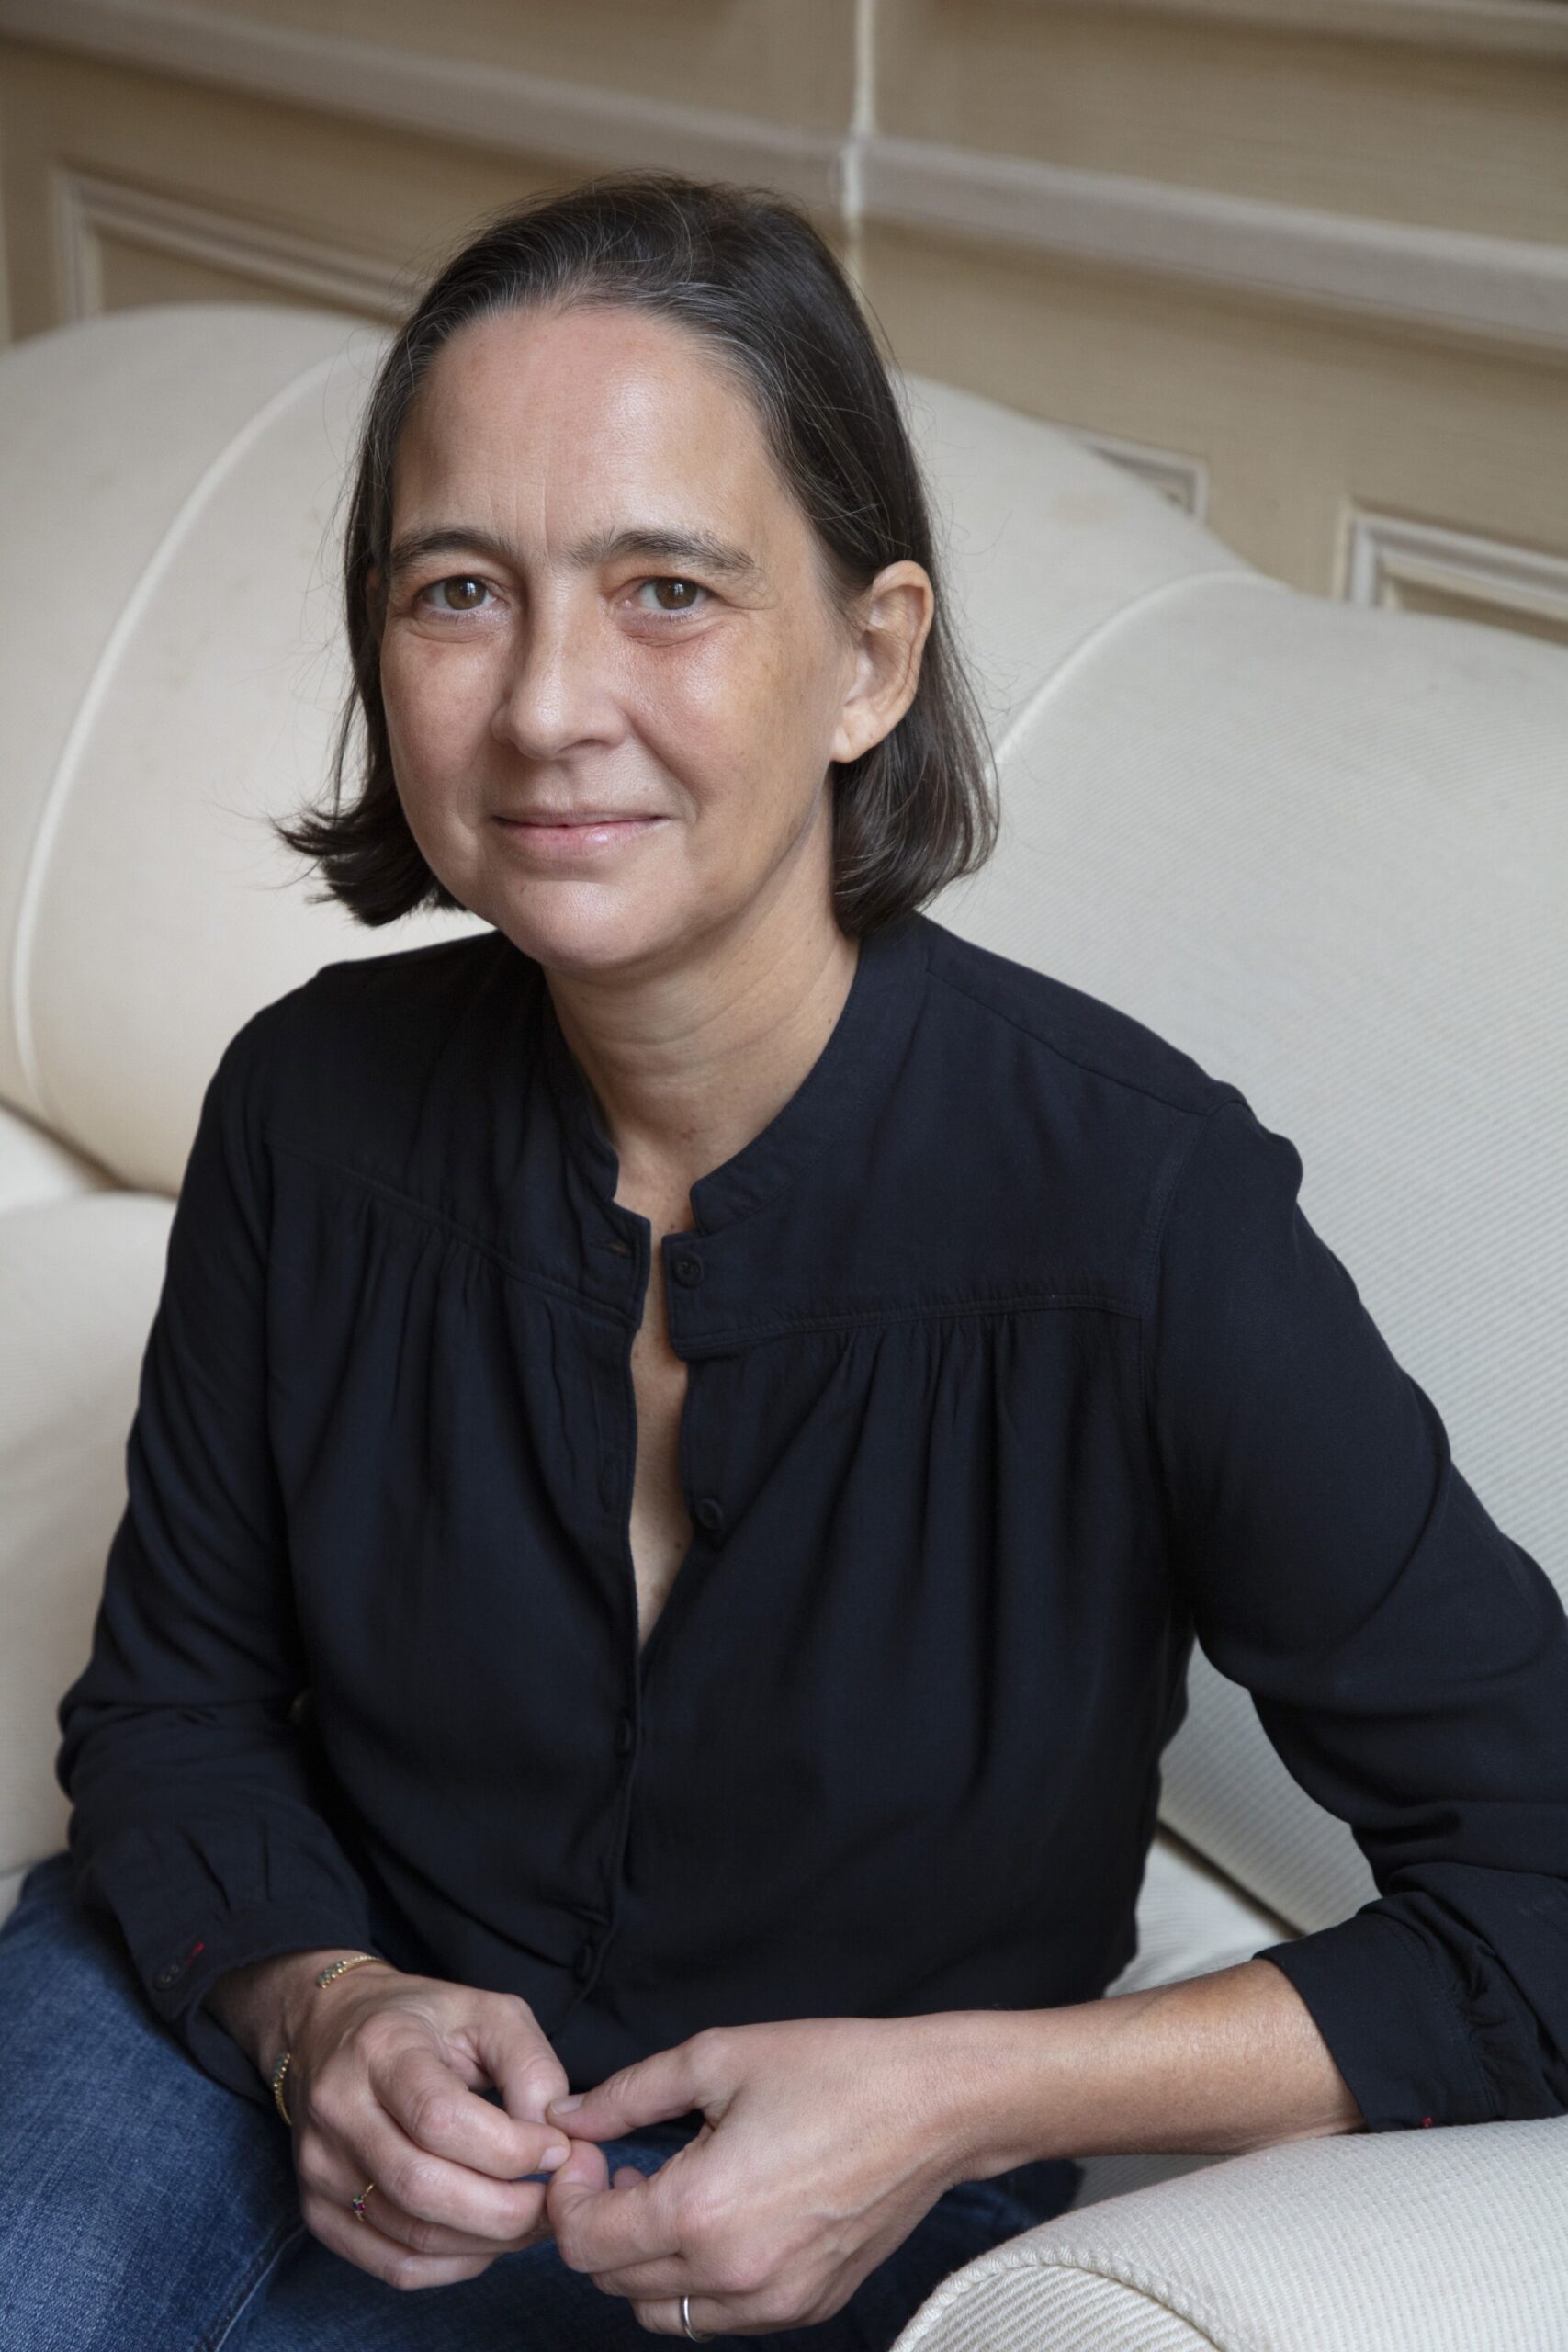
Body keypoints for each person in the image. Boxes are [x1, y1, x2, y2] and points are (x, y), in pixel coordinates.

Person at [3, 169, 1566, 2352]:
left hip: (800, 2217)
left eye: (665, 588)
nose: (545, 702)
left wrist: (961, 2092)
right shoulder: (305, 1104)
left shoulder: (1139, 1209)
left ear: (867, 657)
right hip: (247, 2051)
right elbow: (172, 1707)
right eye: (458, 589)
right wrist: (318, 2003)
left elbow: (1540, 1891)